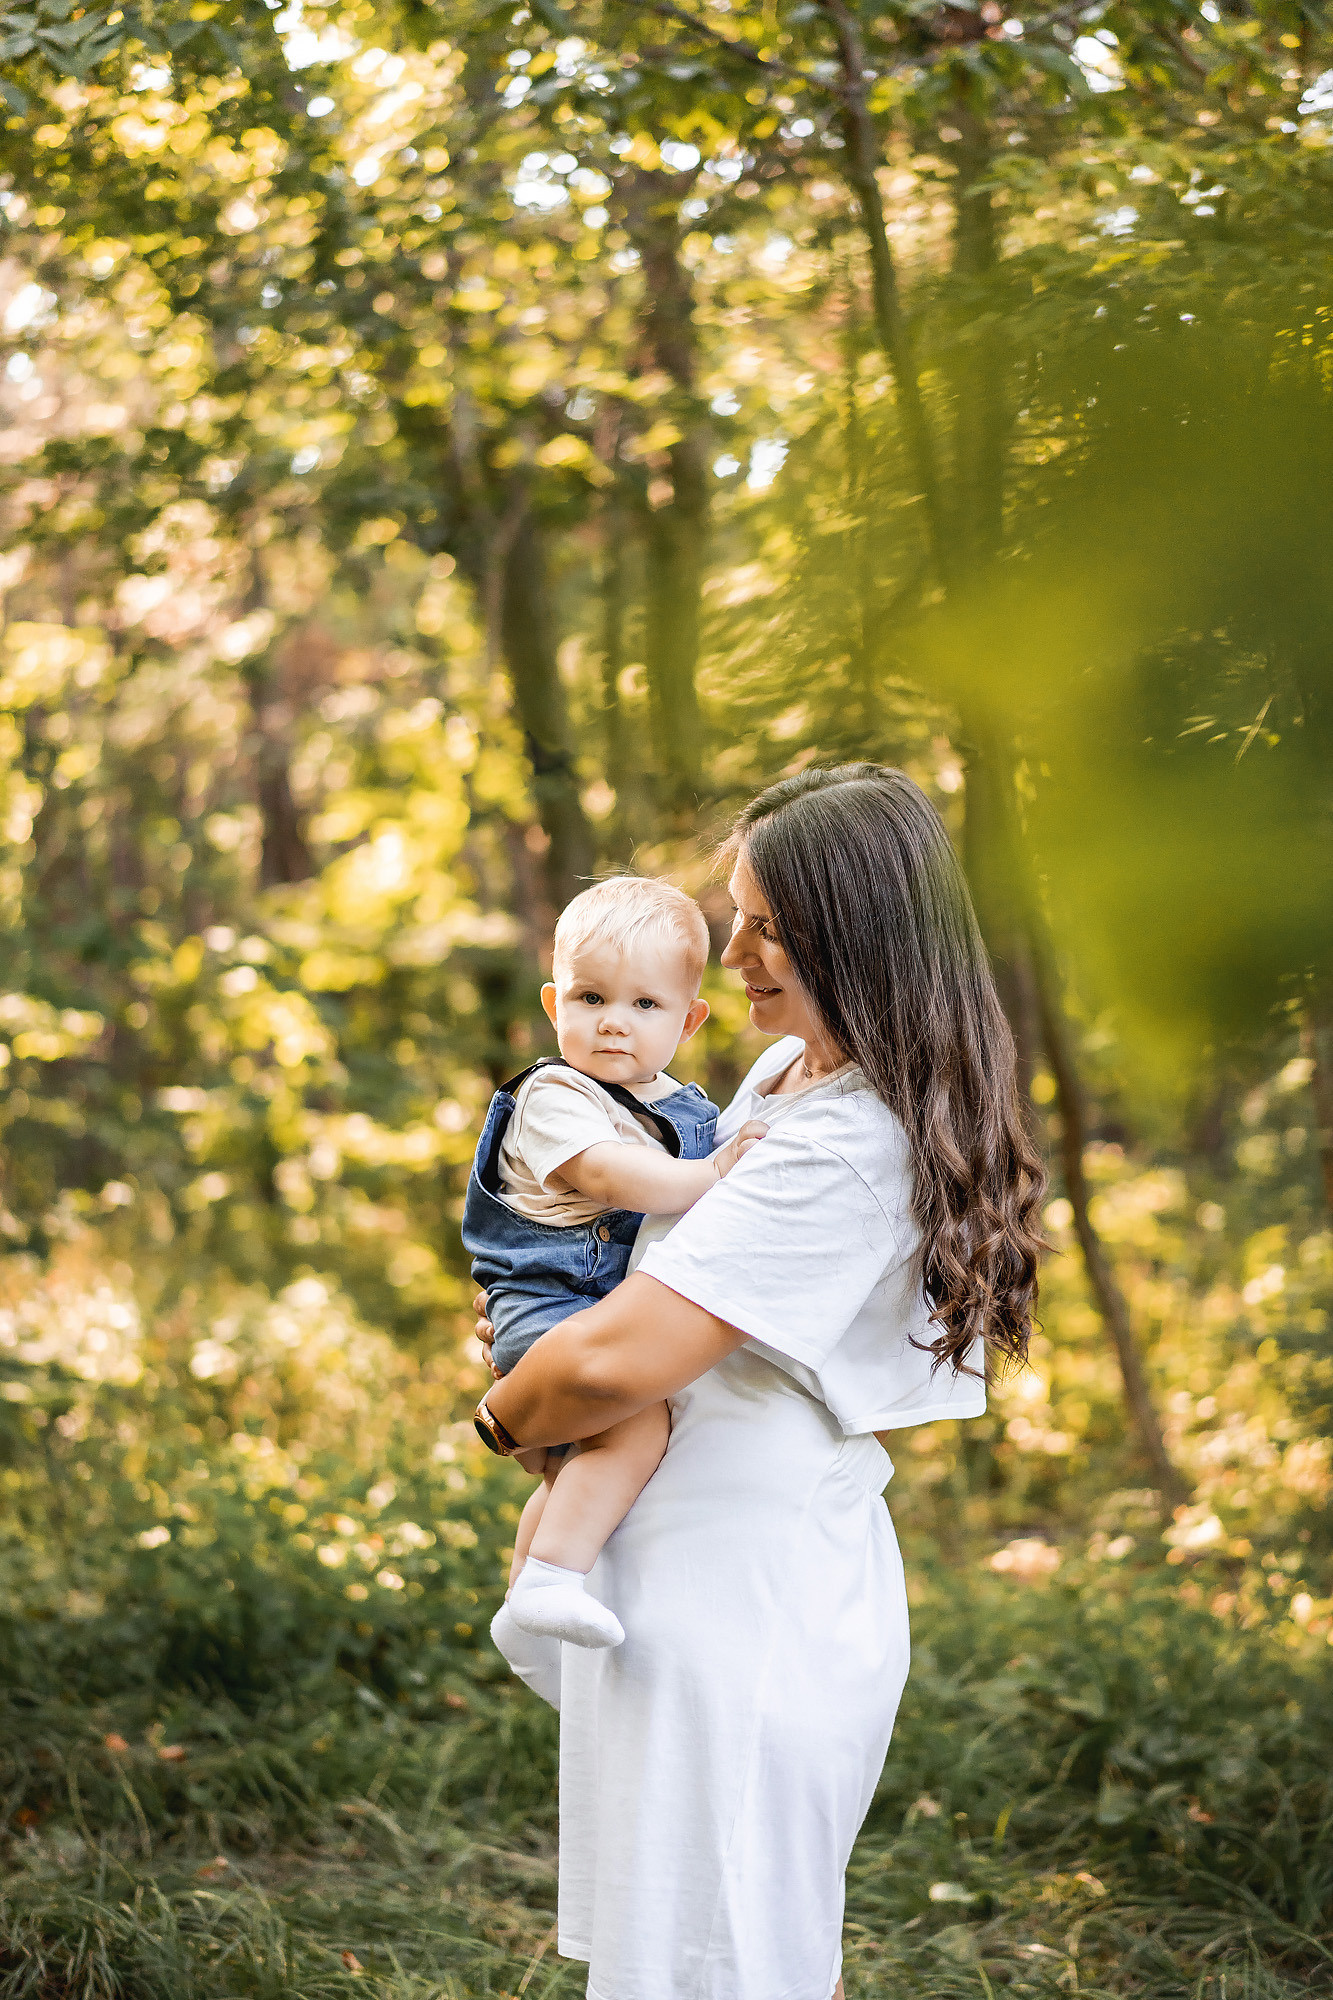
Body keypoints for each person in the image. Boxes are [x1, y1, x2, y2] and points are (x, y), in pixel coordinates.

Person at [472, 765, 1046, 2000]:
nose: (732, 949)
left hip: (749, 1607)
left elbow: (621, 1358)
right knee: (717, 1961)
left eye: (768, 924)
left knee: (735, 1965)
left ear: (858, 934)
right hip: (681, 1586)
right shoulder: (784, 1082)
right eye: (739, 912)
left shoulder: (849, 1137)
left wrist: (507, 1408)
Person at [463, 875, 767, 1650]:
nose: (612, 1026)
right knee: (634, 1429)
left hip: (599, 1306)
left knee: (585, 1459)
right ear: (552, 1004)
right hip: (554, 1304)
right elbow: (608, 1176)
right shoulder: (555, 1095)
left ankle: (529, 1592)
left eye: (644, 1005)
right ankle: (553, 1580)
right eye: (590, 999)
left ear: (689, 1018)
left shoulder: (683, 1107)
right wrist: (712, 1177)